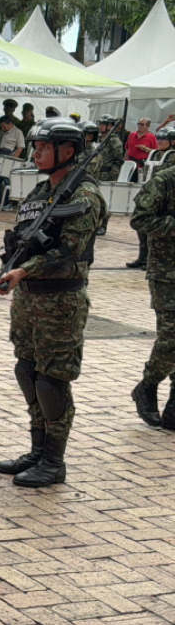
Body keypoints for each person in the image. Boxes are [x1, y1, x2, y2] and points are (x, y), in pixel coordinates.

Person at [0, 119, 104, 487]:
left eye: (43, 147)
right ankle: (37, 450)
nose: (35, 152)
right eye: (35, 146)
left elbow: (69, 253)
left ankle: (54, 462)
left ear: (68, 152)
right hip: (29, 300)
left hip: (60, 302)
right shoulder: (41, 191)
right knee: (28, 372)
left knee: (51, 382)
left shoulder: (84, 196)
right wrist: (12, 268)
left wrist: (25, 270)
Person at [130, 138, 175, 428]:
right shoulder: (165, 180)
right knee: (171, 339)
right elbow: (140, 219)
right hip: (167, 273)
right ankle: (146, 386)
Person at [127, 127, 175, 271]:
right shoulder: (154, 154)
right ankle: (142, 257)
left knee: (155, 230)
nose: (159, 141)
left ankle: (149, 259)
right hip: (148, 193)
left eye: (163, 139)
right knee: (142, 227)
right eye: (158, 138)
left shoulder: (172, 156)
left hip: (163, 197)